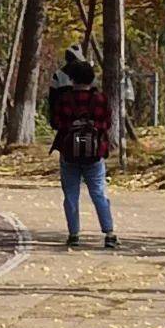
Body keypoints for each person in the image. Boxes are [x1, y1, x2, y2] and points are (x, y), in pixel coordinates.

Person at [50, 55, 118, 249]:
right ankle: (109, 233)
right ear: (91, 78)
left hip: (69, 152)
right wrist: (92, 126)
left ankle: (74, 234)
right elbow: (107, 123)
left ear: (72, 79)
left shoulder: (65, 99)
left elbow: (56, 123)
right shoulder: (100, 99)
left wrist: (72, 125)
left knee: (71, 194)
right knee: (98, 193)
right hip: (94, 154)